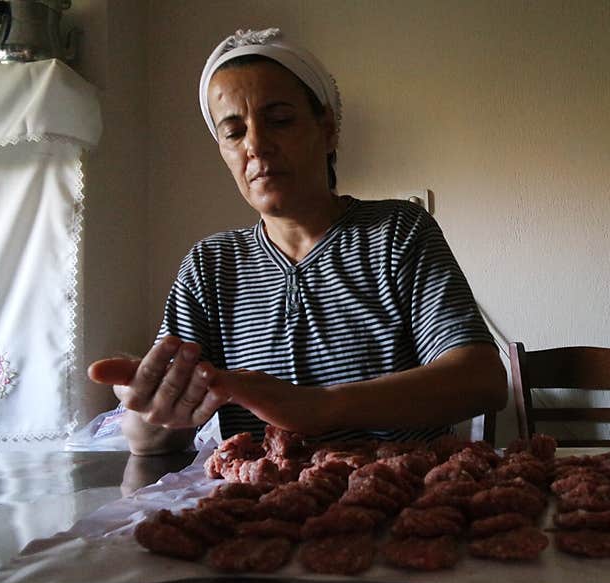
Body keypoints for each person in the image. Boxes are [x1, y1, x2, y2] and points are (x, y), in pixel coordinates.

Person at [88, 27, 506, 456]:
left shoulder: (396, 232)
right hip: (261, 513)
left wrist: (319, 407)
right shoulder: (211, 265)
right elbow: (153, 440)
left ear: (327, 130)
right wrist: (148, 408)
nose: (255, 144)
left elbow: (480, 379)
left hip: (400, 504)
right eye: (233, 132)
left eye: (280, 120)